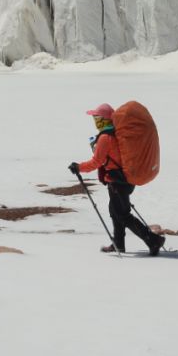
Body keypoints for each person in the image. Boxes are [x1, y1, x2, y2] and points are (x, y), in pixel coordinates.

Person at [68, 103, 165, 255]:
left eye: (96, 118)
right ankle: (118, 243)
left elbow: (97, 161)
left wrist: (78, 167)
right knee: (115, 211)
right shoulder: (115, 134)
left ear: (102, 120)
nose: (95, 121)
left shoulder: (105, 137)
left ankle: (153, 240)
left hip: (117, 181)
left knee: (122, 214)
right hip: (124, 180)